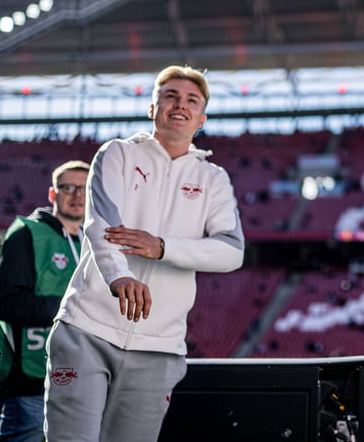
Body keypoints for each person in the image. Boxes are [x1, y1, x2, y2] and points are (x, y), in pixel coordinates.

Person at [43, 65, 245, 442]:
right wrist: (119, 275)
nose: (180, 104)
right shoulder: (117, 153)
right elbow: (101, 223)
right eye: (170, 96)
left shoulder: (214, 179)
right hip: (88, 328)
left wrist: (162, 247)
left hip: (160, 348)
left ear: (202, 118)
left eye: (192, 100)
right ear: (153, 108)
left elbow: (232, 252)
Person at [0, 160, 89, 442]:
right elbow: (8, 304)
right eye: (68, 188)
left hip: (85, 372)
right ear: (53, 194)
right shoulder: (26, 233)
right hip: (32, 375)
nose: (77, 195)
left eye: (84, 189)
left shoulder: (96, 242)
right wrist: (74, 308)